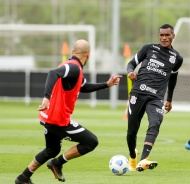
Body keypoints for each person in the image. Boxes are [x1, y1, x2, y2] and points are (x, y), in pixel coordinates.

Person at [15, 39, 122, 184]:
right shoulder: (74, 67)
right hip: (58, 120)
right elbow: (53, 73)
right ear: (88, 55)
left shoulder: (72, 67)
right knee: (91, 142)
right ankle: (57, 163)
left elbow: (83, 86)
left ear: (73, 52)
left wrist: (106, 85)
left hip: (49, 117)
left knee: (51, 150)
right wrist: (46, 98)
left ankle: (23, 177)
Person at [126, 24, 183, 171]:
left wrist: (169, 99)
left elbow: (173, 79)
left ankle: (144, 159)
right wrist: (130, 72)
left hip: (156, 97)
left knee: (156, 122)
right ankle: (133, 156)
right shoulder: (148, 48)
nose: (164, 38)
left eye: (167, 35)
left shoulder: (177, 58)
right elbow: (131, 63)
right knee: (132, 131)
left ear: (173, 36)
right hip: (138, 93)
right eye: (161, 35)